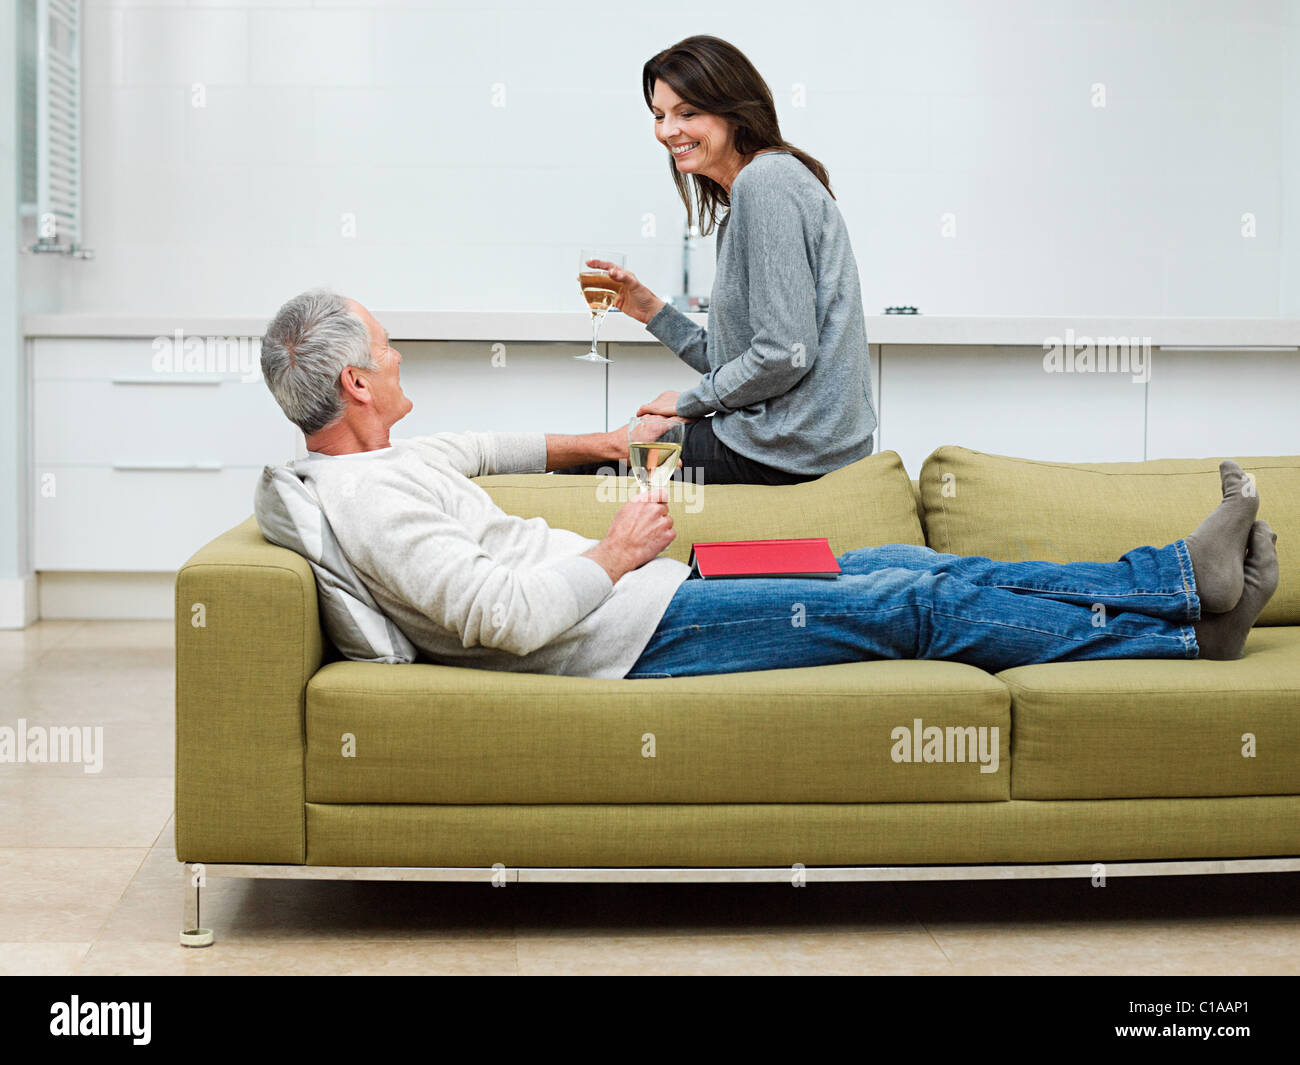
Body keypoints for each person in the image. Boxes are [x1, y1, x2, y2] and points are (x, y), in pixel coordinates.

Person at [261, 290, 1278, 680]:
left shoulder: (388, 459)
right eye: (387, 351)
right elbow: (500, 618)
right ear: (356, 381)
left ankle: (1185, 604)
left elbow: (489, 447)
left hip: (660, 593)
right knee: (915, 605)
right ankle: (1181, 605)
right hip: (635, 631)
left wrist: (604, 441)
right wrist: (613, 554)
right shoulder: (373, 502)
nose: (399, 358)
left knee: (909, 560)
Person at [554, 35, 877, 485]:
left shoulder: (765, 181)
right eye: (659, 116)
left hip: (788, 449)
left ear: (735, 111)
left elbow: (784, 356)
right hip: (782, 440)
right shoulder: (747, 198)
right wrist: (649, 309)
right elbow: (740, 362)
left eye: (688, 113)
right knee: (611, 446)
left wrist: (689, 403)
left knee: (588, 464)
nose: (669, 131)